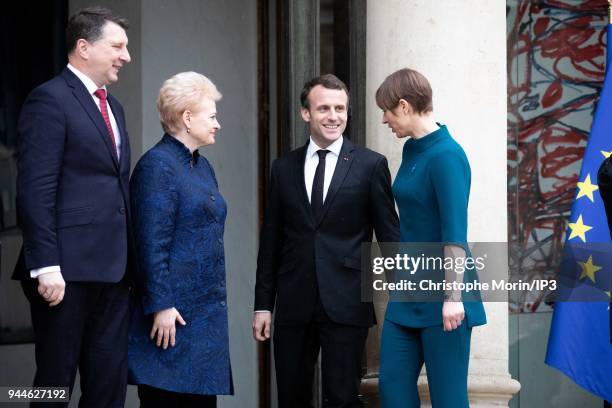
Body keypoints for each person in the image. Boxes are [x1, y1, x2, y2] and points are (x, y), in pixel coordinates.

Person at [253, 74, 399, 407]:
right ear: (306, 113)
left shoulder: (370, 165)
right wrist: (263, 304)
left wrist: (404, 295)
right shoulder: (283, 168)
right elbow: (271, 239)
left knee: (343, 398)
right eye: (323, 108)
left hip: (346, 302)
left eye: (340, 108)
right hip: (293, 302)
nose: (333, 116)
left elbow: (389, 236)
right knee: (291, 397)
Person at [12, 7, 132, 407]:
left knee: (108, 388)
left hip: (113, 272)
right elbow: (35, 190)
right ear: (83, 47)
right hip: (64, 273)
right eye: (117, 46)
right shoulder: (49, 99)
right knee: (53, 386)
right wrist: (46, 265)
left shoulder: (113, 107)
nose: (125, 56)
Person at [375, 68, 487, 408]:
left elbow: (455, 231)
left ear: (405, 106)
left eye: (388, 111)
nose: (384, 119)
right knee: (392, 391)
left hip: (445, 297)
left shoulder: (447, 156)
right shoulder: (413, 150)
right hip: (407, 294)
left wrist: (453, 297)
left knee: (448, 399)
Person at [128, 71, 233, 408]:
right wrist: (160, 305)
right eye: (212, 115)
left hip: (204, 319)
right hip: (172, 320)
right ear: (187, 118)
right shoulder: (157, 166)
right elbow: (149, 243)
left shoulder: (203, 168)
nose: (217, 123)